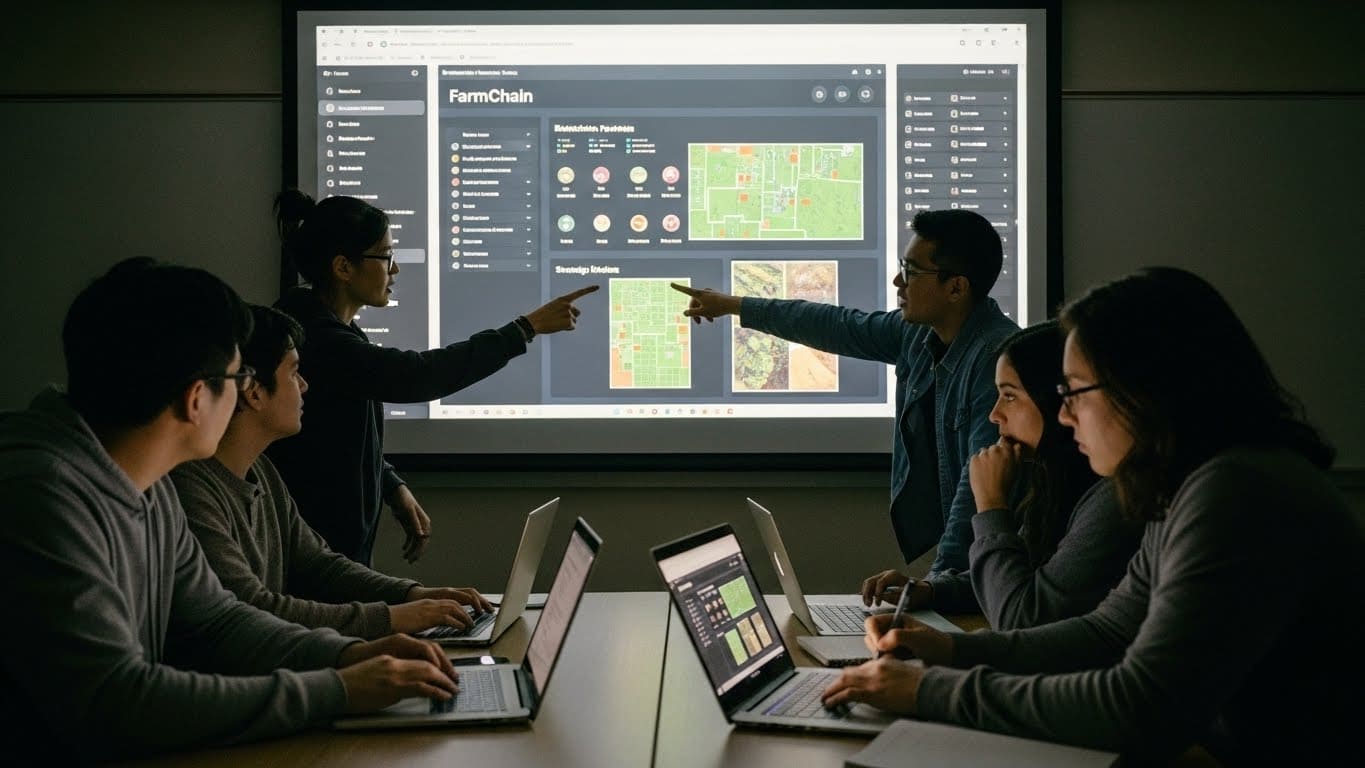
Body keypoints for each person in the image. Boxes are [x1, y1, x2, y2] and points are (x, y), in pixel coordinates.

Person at [821, 267, 1363, 763]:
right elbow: (1106, 634)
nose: (1063, 414)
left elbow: (1140, 707)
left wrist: (927, 690)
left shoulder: (1236, 492)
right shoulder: (1190, 486)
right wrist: (952, 648)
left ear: (1145, 390)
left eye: (1075, 392)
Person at [0, 259, 460, 762]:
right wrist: (340, 689)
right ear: (197, 399)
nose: (245, 391)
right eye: (238, 375)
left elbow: (216, 620)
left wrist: (350, 654)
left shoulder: (141, 480)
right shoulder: (43, 496)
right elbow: (116, 701)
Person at [674, 209, 1018, 575]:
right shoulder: (918, 335)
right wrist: (734, 306)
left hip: (990, 573)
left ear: (956, 287)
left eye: (912, 272)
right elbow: (836, 325)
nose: (897, 281)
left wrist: (936, 583)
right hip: (964, 571)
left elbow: (976, 489)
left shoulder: (996, 362)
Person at [268, 190, 598, 565]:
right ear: (343, 267)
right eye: (385, 256)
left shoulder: (329, 327)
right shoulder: (313, 335)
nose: (395, 269)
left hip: (335, 556)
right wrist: (524, 328)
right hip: (314, 566)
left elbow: (337, 431)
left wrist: (390, 485)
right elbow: (416, 376)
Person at [172, 304, 495, 640]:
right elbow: (254, 608)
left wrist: (412, 595)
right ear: (253, 392)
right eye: (294, 373)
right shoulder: (191, 491)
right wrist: (392, 618)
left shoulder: (261, 470)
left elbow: (319, 564)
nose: (305, 385)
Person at [861, 321, 1142, 628]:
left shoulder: (1114, 499)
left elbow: (1019, 616)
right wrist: (929, 592)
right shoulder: (1055, 481)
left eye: (1009, 396)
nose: (995, 414)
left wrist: (991, 505)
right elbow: (1014, 577)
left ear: (1052, 400)